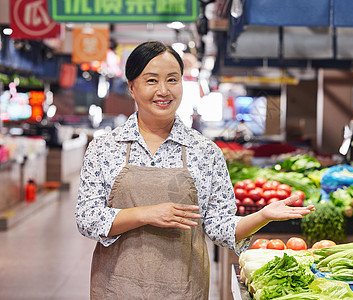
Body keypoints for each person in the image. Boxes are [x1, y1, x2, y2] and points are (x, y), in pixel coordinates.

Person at [75, 41, 315, 299]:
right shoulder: (104, 148)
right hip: (118, 287)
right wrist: (146, 214)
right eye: (152, 80)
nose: (164, 90)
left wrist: (262, 216)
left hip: (182, 289)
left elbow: (219, 226)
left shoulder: (205, 152)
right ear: (132, 87)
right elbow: (87, 219)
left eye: (173, 80)